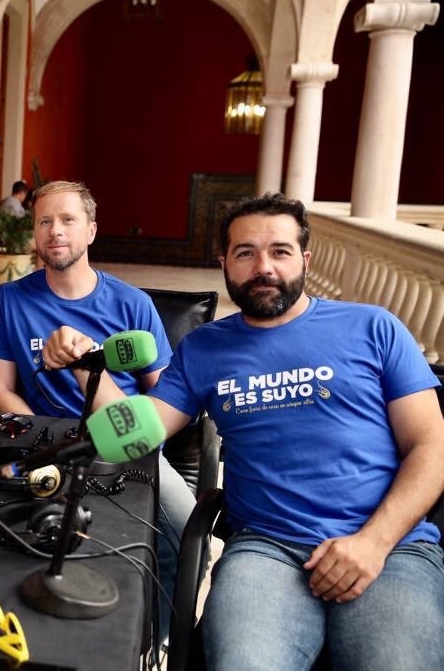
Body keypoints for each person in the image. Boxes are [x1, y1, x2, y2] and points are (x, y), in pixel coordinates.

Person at [45, 193, 444, 669]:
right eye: (245, 253)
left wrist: (373, 543)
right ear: (224, 264)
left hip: (389, 546)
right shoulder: (204, 348)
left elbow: (431, 445)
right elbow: (140, 433)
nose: (263, 267)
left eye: (279, 251)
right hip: (267, 551)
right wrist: (86, 368)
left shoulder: (374, 328)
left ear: (304, 259)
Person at [0, 179, 194, 642]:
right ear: (34, 233)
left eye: (68, 220)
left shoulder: (132, 304)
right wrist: (46, 438)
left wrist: (86, 363)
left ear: (91, 231)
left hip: (127, 443)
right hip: (48, 441)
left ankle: (158, 639)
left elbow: (166, 399)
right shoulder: (10, 300)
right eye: (44, 221)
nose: (55, 231)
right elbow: (0, 392)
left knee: (183, 532)